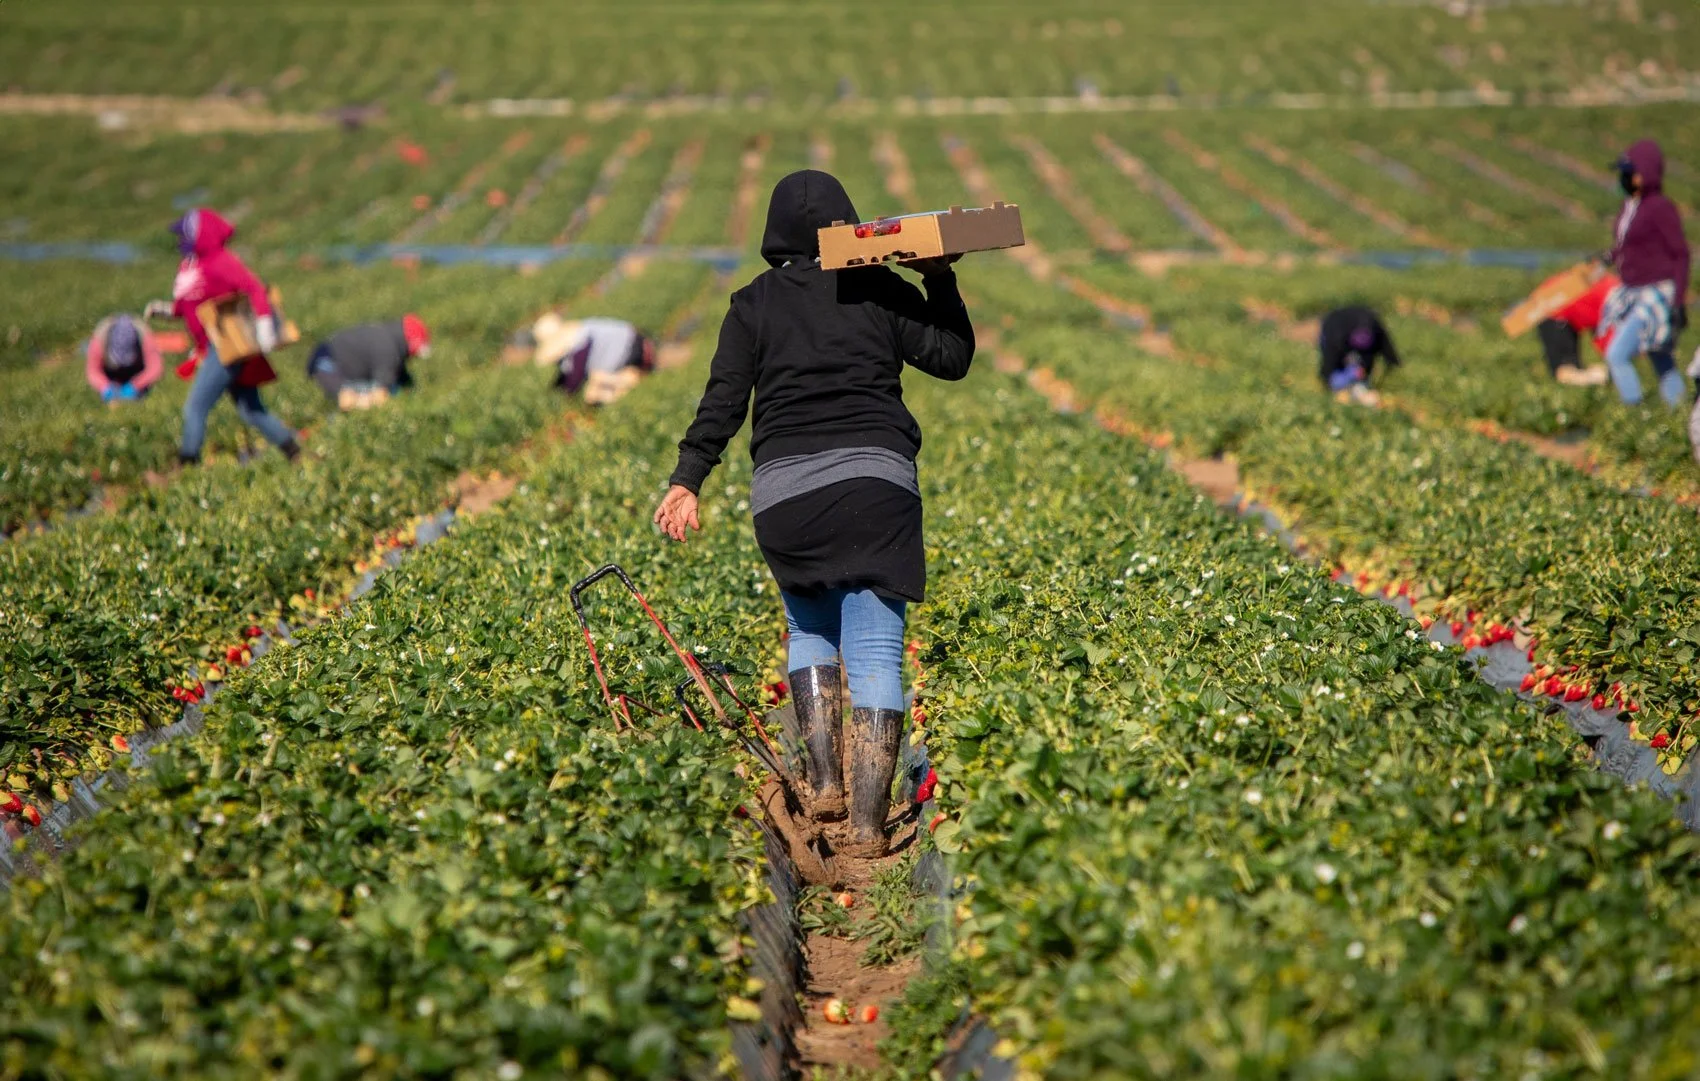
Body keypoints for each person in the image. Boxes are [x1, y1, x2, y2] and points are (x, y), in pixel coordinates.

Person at [653, 169, 974, 858]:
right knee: (878, 651)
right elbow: (950, 357)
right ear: (847, 223)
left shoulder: (752, 303)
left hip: (787, 497)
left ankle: (825, 780)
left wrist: (688, 479)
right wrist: (939, 278)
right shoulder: (876, 286)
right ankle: (865, 825)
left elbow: (723, 401)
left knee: (809, 627)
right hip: (876, 486)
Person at [156, 208, 298, 464]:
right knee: (251, 410)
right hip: (214, 346)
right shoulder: (193, 265)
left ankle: (187, 463)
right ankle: (294, 453)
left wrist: (265, 325)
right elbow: (189, 304)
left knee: (195, 407)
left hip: (223, 346)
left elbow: (254, 288)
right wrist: (166, 310)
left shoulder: (220, 261)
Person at [1600, 140, 1690, 407]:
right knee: (1659, 356)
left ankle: (1636, 413)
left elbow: (1681, 254)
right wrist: (1608, 257)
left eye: (1630, 172)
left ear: (1644, 174)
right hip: (1633, 289)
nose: (1625, 178)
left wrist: (1678, 301)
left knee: (1617, 354)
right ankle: (1678, 411)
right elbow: (1627, 245)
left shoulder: (1660, 208)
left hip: (1656, 291)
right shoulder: (1630, 207)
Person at [306, 314, 431, 410]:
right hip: (326, 365)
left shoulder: (387, 339)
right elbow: (380, 395)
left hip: (327, 360)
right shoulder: (388, 349)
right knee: (349, 400)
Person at [532, 312, 656, 405]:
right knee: (594, 387)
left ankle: (630, 386)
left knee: (593, 390)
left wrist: (562, 397)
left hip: (633, 349)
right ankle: (627, 388)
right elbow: (567, 376)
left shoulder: (580, 343)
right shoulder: (582, 334)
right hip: (633, 344)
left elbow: (575, 378)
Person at [1536, 270, 1616, 387]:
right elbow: (1608, 342)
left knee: (1571, 367)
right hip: (1553, 309)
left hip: (1555, 300)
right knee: (1564, 371)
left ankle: (1599, 376)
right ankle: (1601, 378)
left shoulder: (1615, 287)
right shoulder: (1615, 298)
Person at [1318, 305, 1400, 406]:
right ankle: (1342, 386)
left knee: (1359, 375)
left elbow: (1386, 347)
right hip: (1335, 335)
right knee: (1335, 376)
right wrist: (1328, 380)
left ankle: (1356, 388)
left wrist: (1392, 362)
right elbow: (1328, 362)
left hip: (1356, 341)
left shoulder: (1373, 327)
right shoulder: (1335, 333)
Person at [85, 313, 163, 403]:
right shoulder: (100, 337)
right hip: (110, 373)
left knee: (141, 399)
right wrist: (105, 386)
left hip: (136, 372)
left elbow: (155, 368)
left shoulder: (144, 335)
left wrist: (136, 385)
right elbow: (92, 370)